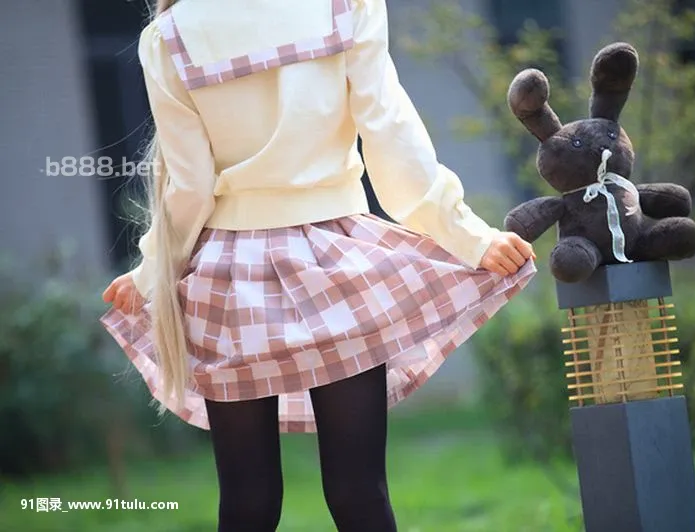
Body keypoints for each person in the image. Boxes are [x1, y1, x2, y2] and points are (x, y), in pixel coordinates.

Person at [100, 0, 536, 530]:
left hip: (230, 277)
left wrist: (152, 271)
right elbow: (389, 132)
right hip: (335, 263)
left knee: (247, 499)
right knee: (359, 491)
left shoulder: (169, 35)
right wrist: (468, 236)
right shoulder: (346, 4)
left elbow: (189, 189)